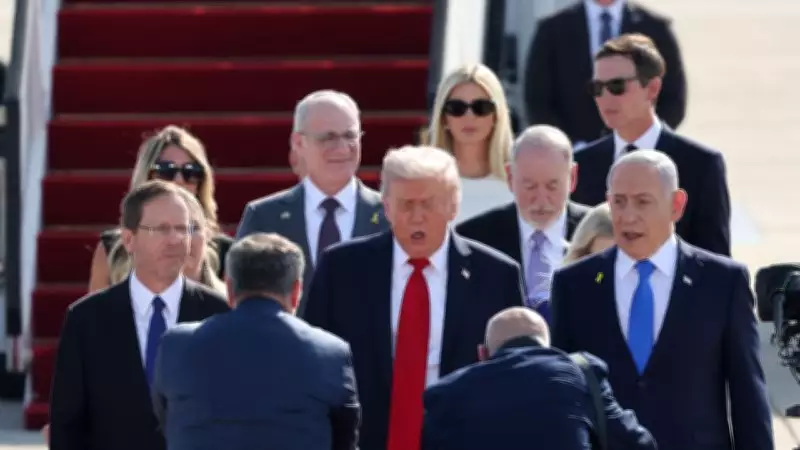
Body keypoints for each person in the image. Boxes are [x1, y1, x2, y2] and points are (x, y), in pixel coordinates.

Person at [302, 145, 525, 450]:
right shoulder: (341, 269)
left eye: (428, 204)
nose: (417, 217)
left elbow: (515, 375)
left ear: (453, 206)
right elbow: (314, 364)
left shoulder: (496, 275)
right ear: (387, 207)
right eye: (406, 205)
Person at [551, 150, 773, 450]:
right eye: (619, 202)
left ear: (676, 205)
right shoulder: (574, 284)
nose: (628, 215)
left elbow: (748, 396)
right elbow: (562, 395)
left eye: (643, 202)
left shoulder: (723, 283)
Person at [48, 180, 230, 450]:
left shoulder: (218, 313)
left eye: (183, 228)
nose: (175, 239)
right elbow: (67, 424)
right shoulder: (86, 319)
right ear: (128, 239)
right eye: (161, 229)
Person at [152, 233, 359, 450]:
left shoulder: (176, 346)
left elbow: (167, 420)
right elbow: (345, 440)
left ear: (229, 289)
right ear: (296, 291)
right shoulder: (330, 352)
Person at [571, 33, 730, 256]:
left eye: (617, 86)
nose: (605, 97)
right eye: (597, 88)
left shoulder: (701, 165)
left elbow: (715, 260)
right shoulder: (582, 165)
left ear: (653, 88)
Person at [236, 90, 388, 314]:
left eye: (350, 136)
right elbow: (243, 298)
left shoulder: (390, 214)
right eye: (328, 138)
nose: (342, 148)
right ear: (298, 142)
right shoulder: (264, 216)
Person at [422, 307, 656, 450]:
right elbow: (635, 443)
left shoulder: (445, 395)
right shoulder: (582, 371)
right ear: (548, 348)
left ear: (482, 353)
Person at [456, 125, 589, 319]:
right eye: (530, 186)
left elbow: (601, 280)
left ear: (573, 177)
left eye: (552, 186)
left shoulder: (599, 231)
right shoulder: (474, 238)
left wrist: (596, 278)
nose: (541, 199)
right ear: (510, 177)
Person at [88, 125, 232, 293]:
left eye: (190, 172)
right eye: (166, 171)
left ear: (201, 183)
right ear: (146, 176)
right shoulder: (113, 250)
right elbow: (97, 308)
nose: (179, 180)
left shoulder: (225, 252)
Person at [525, 0, 686, 147]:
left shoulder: (656, 27)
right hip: (574, 156)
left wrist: (642, 141)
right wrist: (567, 146)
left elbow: (673, 98)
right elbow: (537, 99)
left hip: (641, 155)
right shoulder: (552, 28)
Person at [424, 63, 515, 222]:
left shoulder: (521, 184)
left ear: (496, 115)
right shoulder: (419, 183)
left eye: (481, 107)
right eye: (456, 108)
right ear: (443, 117)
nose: (469, 116)